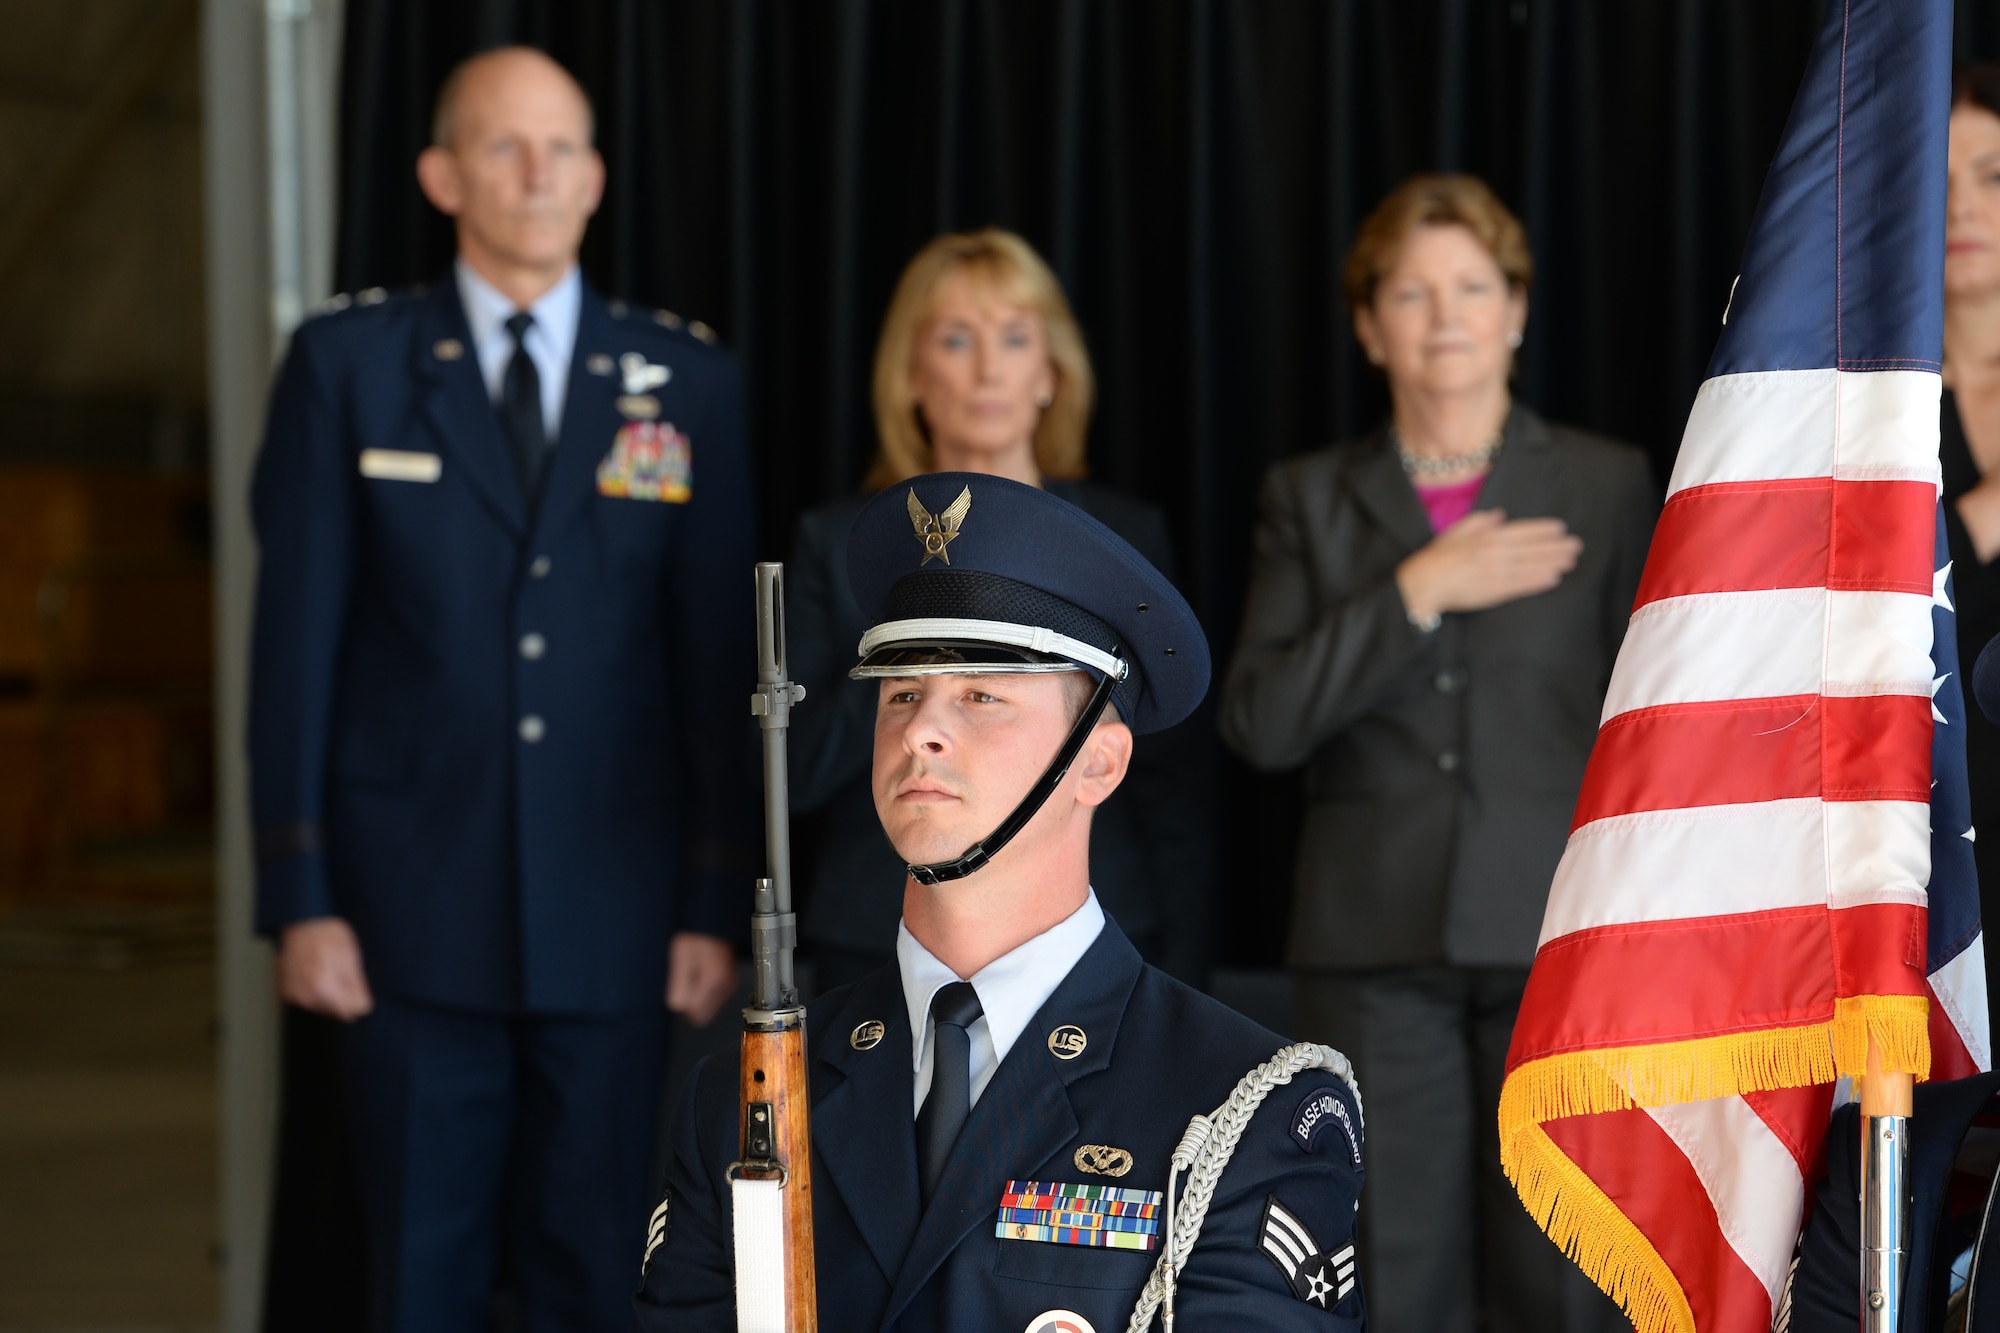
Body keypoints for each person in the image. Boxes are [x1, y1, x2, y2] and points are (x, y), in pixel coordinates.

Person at [246, 47, 754, 1333]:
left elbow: (708, 666)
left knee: (597, 1264)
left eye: (563, 148)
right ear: (438, 174)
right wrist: (298, 894)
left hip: (617, 910)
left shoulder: (683, 382)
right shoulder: (348, 366)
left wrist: (708, 896)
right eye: (502, 146)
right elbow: (294, 642)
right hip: (404, 911)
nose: (537, 174)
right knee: (420, 1268)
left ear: (595, 178)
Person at [636, 473, 1366, 1330]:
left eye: (982, 694)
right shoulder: (742, 1097)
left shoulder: (1242, 1106)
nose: (920, 729)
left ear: (1099, 762)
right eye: (902, 692)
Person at [1217, 173, 1656, 1333]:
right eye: (1410, 293)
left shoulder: (1608, 486)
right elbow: (1258, 720)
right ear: (1368, 327)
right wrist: (1414, 590)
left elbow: (1658, 724)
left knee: (1557, 1276)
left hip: (1558, 938)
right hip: (1372, 947)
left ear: (1516, 309)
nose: (1445, 314)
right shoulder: (1307, 499)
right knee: (1390, 1271)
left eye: (1471, 286)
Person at [787, 228, 1213, 992]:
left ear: (1050, 369)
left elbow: (1168, 776)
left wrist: (1184, 960)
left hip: (1093, 914)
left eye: (1014, 337)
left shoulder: (1125, 536)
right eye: (957, 338)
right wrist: (916, 637)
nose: (988, 367)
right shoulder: (835, 541)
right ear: (912, 372)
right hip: (876, 923)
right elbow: (797, 766)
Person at [1939, 62, 2000, 1036]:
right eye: (1933, 176)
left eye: (1992, 175)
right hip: (1922, 868)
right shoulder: (1847, 404)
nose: (1957, 205)